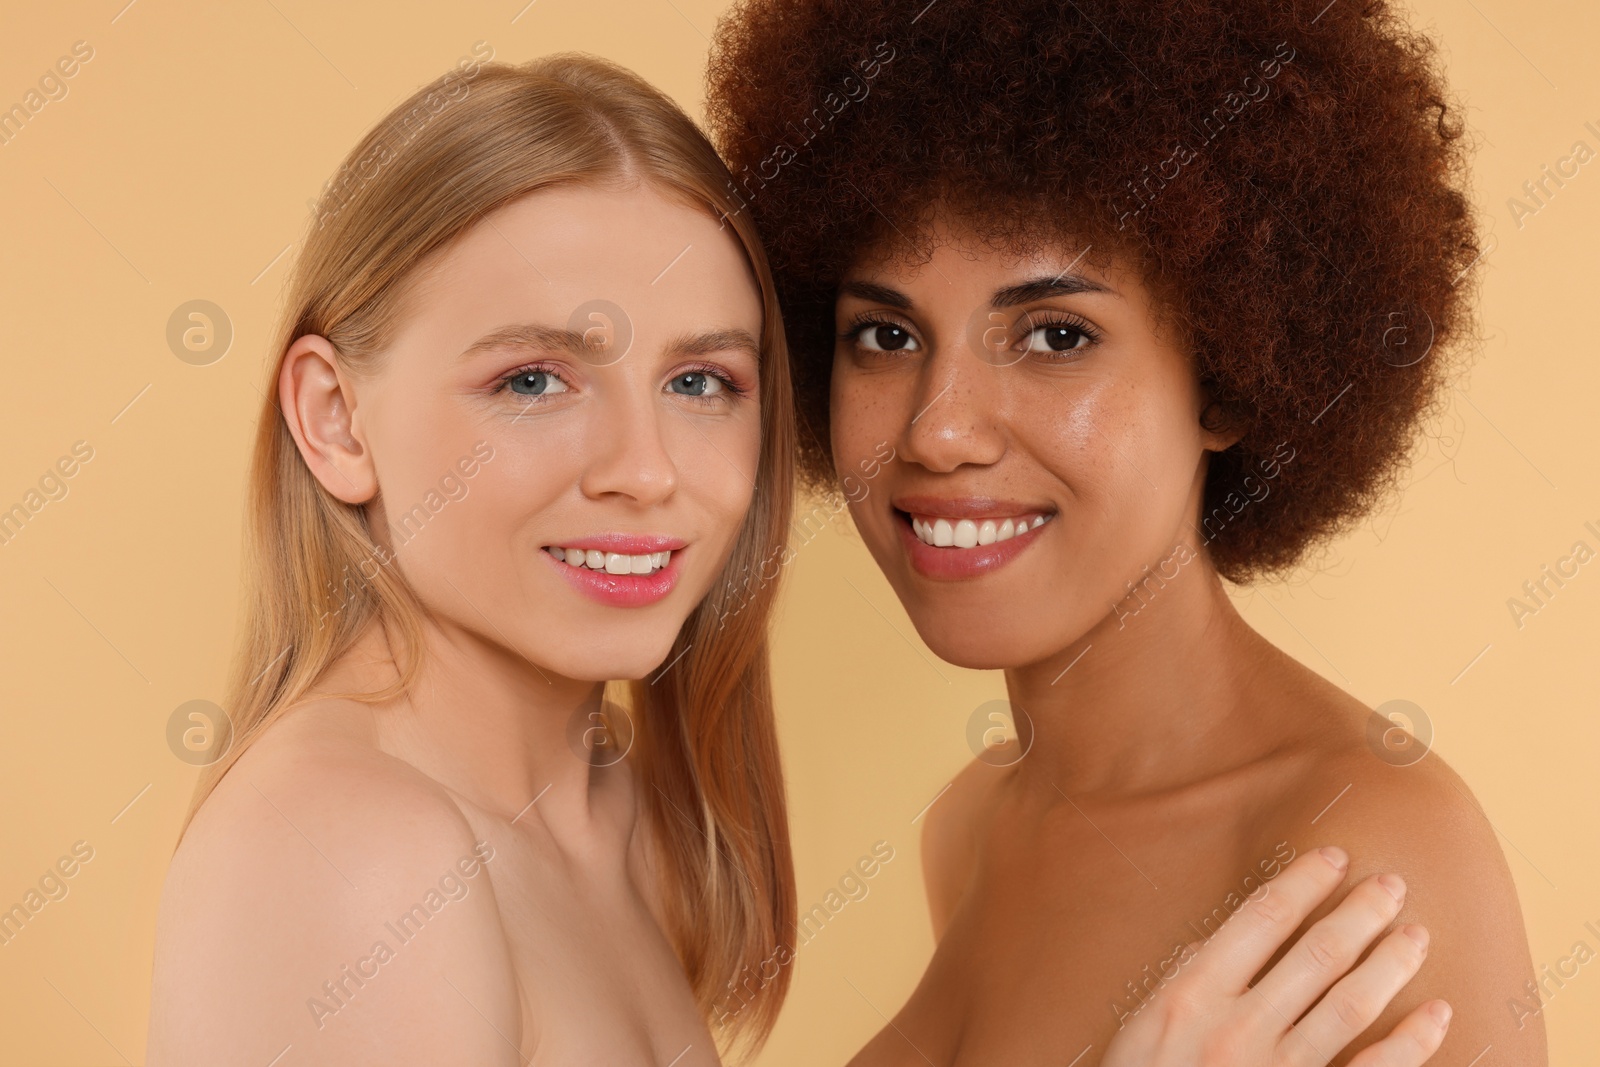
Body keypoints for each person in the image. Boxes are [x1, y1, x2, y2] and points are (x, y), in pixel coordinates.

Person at [147, 54, 1449, 1067]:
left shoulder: (619, 818)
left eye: (705, 378)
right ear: (334, 416)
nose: (643, 467)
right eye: (535, 376)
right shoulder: (356, 853)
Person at [704, 0, 1537, 1064]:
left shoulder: (1358, 852)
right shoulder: (971, 825)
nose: (937, 427)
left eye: (1055, 334)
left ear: (1228, 381)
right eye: (885, 332)